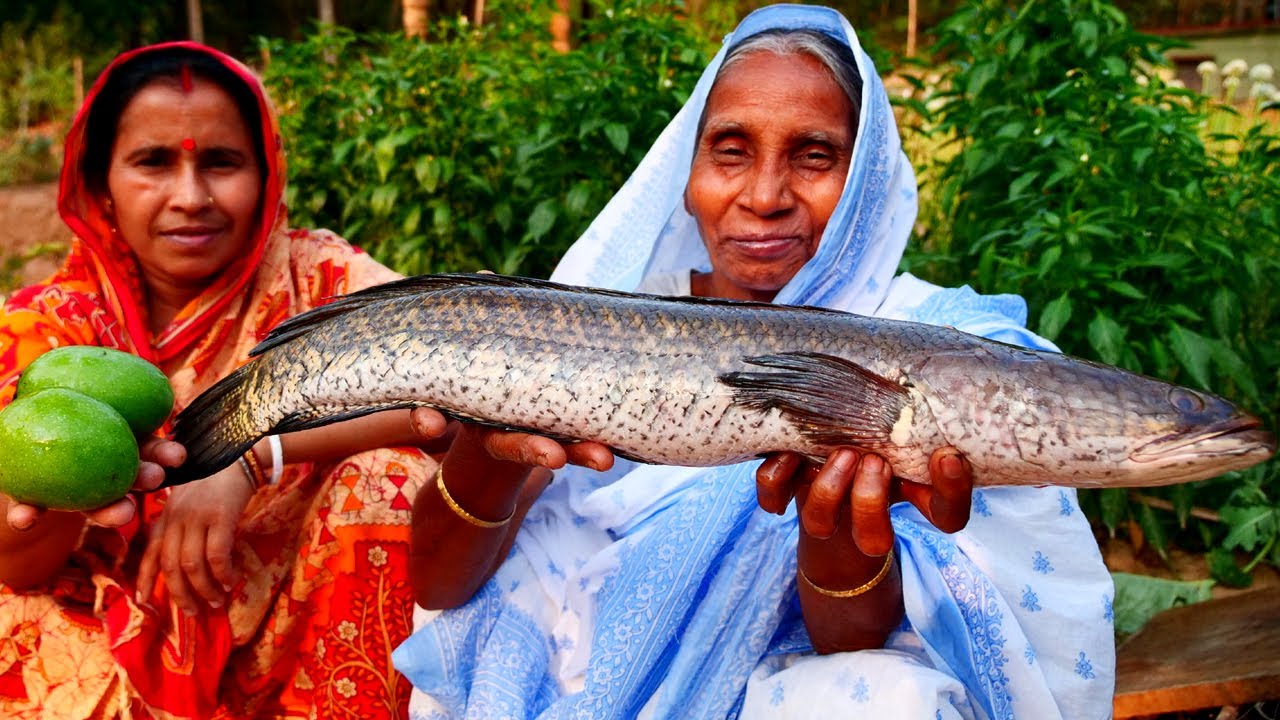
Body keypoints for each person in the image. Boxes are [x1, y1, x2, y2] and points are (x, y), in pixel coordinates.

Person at [392, 5, 1116, 719]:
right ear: (688, 167)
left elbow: (851, 646)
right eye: (731, 150)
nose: (765, 196)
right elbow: (441, 584)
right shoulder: (596, 329)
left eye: (814, 155)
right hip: (552, 672)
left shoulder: (930, 348)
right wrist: (490, 455)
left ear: (866, 176)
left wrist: (838, 533)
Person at [0, 42, 446, 719]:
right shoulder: (46, 332)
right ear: (101, 182)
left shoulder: (319, 282)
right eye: (153, 162)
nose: (191, 197)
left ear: (266, 175)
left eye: (222, 162)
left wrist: (250, 454)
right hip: (99, 639)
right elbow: (18, 569)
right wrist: (58, 505)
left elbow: (452, 377)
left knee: (389, 474)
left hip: (294, 624)